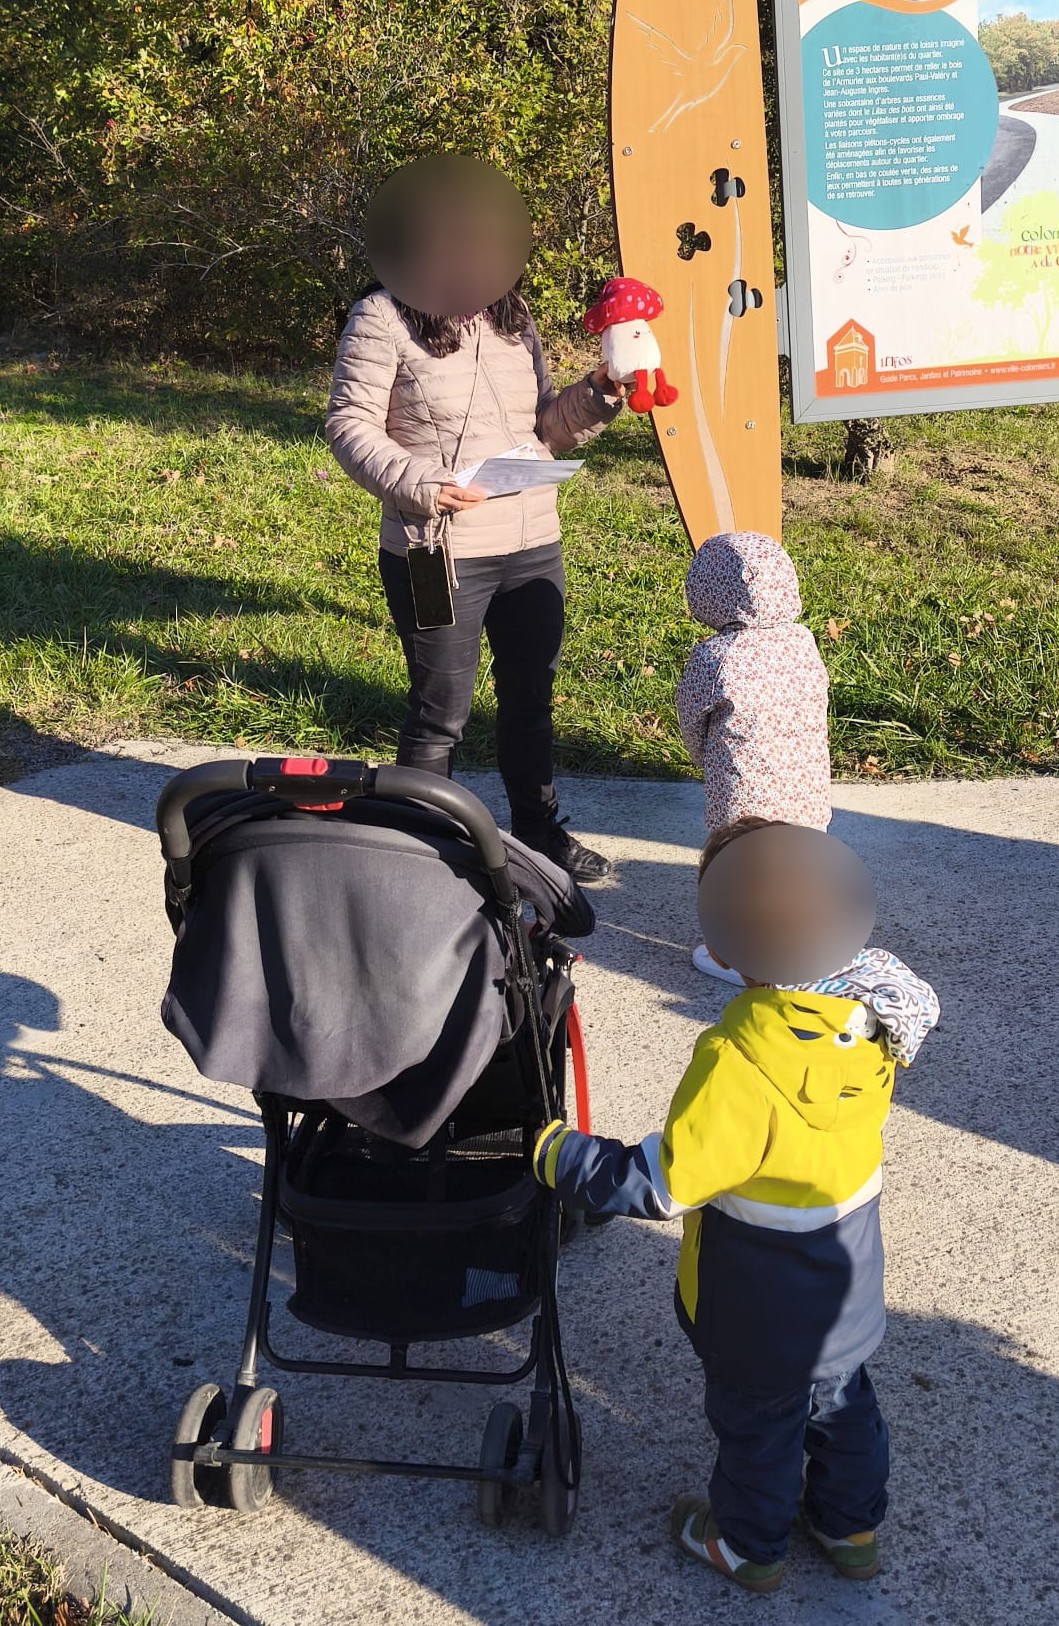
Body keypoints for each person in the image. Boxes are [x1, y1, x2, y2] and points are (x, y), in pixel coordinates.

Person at [533, 818, 940, 1594]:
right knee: (844, 1405)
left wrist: (558, 1154)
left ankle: (749, 1546)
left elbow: (665, 1183)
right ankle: (850, 1528)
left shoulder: (738, 1056)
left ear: (722, 947)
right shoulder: (877, 1017)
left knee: (758, 1428)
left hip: (756, 1304)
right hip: (844, 1288)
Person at [325, 157, 625, 882]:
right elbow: (348, 423)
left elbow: (545, 430)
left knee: (530, 700)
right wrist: (422, 484)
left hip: (530, 543)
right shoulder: (381, 316)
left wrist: (598, 394)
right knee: (439, 713)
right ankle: (421, 847)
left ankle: (537, 834)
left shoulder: (513, 316)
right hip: (436, 549)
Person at [675, 532, 832, 978]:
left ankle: (738, 954)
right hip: (806, 786)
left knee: (737, 873)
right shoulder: (802, 642)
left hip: (742, 791)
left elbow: (693, 719)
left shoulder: (714, 657)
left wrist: (703, 756)